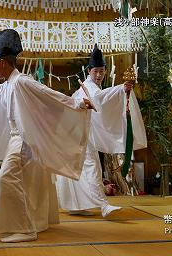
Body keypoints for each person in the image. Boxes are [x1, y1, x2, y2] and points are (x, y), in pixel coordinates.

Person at [0, 29, 94, 243]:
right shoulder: (7, 85)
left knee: (7, 178)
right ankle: (36, 223)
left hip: (24, 139)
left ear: (2, 62)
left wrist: (76, 103)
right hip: (19, 139)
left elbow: (49, 95)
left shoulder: (21, 82)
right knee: (29, 182)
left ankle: (24, 229)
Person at [56, 44, 147, 218]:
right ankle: (104, 206)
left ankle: (76, 205)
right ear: (89, 71)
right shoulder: (89, 87)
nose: (99, 75)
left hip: (78, 134)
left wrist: (120, 91)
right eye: (95, 71)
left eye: (101, 71)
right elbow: (99, 100)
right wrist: (120, 89)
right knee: (91, 168)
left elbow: (100, 102)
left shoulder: (92, 87)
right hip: (76, 135)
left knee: (82, 170)